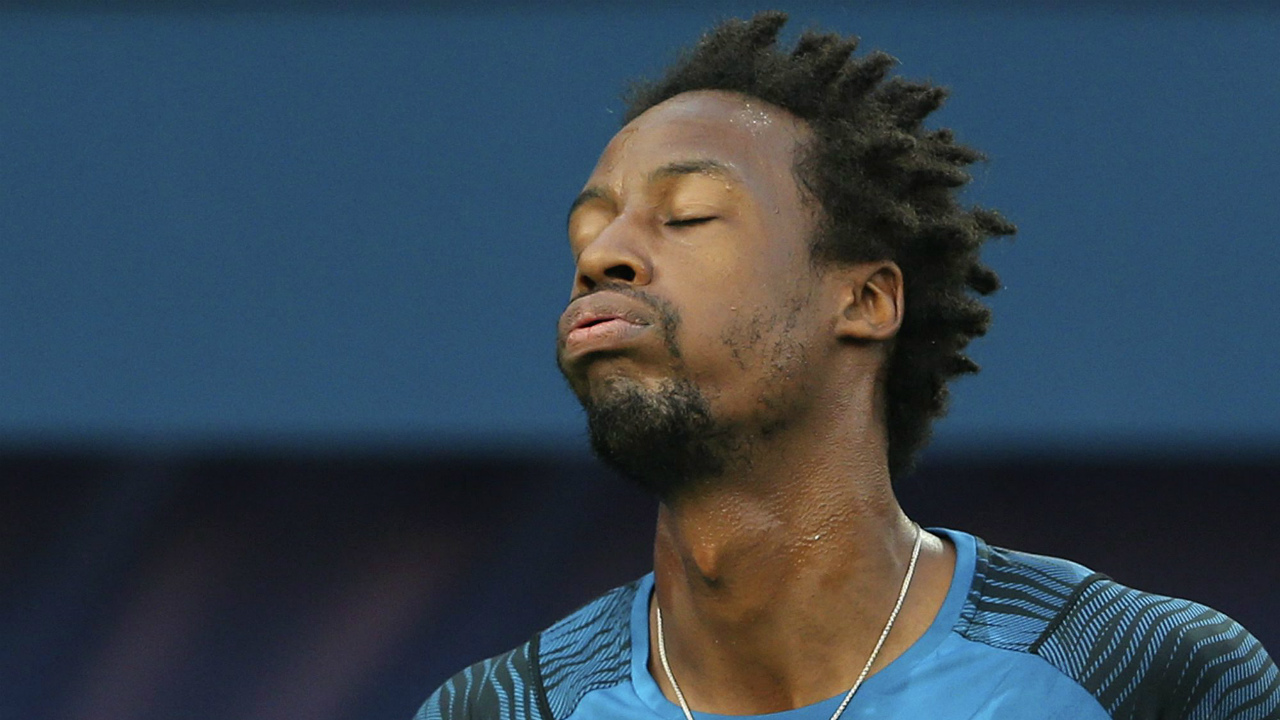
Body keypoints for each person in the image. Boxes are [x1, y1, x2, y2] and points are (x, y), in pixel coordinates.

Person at [415, 12, 1277, 720]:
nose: (603, 253)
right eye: (588, 226)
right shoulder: (500, 709)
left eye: (688, 215)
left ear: (865, 302)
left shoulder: (1152, 678)